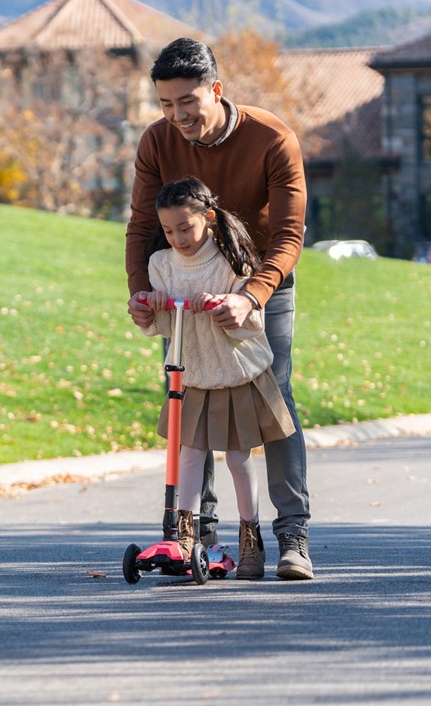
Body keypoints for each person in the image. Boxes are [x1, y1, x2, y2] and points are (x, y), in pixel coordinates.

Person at [125, 37, 314, 580]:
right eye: (165, 104)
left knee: (273, 399)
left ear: (216, 89)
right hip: (183, 284)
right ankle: (193, 538)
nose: (177, 116)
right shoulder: (158, 141)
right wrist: (141, 290)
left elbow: (287, 235)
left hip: (259, 285)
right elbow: (142, 225)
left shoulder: (271, 137)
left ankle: (291, 536)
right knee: (191, 397)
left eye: (188, 101)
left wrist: (249, 295)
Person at [138, 178, 294, 579]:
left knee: (238, 459)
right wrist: (148, 307)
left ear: (207, 218)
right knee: (189, 454)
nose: (177, 238)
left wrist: (227, 307)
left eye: (185, 228)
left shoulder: (231, 262)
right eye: (169, 231)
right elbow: (162, 324)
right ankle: (184, 535)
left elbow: (251, 321)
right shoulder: (161, 264)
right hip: (193, 375)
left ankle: (250, 539)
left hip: (234, 372)